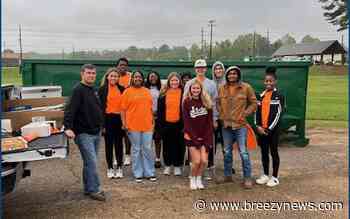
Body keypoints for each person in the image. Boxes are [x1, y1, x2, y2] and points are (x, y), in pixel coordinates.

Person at [64, 64, 106, 201]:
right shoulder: (78, 90)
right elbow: (70, 110)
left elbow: (98, 109)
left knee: (89, 162)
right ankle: (95, 189)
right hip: (84, 133)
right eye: (88, 73)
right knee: (92, 162)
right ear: (82, 74)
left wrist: (101, 125)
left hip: (96, 132)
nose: (91, 75)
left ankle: (88, 188)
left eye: (93, 73)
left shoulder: (93, 89)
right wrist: (68, 127)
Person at [217, 66, 257, 189]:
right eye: (230, 74)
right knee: (227, 151)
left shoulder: (246, 87)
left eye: (234, 73)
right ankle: (228, 176)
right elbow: (217, 102)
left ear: (238, 75)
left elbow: (254, 103)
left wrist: (245, 113)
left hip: (240, 125)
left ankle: (247, 178)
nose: (232, 76)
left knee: (243, 152)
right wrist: (221, 114)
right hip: (226, 125)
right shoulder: (222, 88)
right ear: (227, 76)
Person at [183, 59, 218, 180]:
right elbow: (185, 102)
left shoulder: (211, 84)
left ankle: (206, 170)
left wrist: (214, 119)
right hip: (193, 120)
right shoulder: (189, 83)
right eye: (198, 67)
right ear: (195, 69)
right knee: (192, 147)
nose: (200, 69)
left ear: (206, 69)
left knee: (208, 145)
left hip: (206, 121)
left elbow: (214, 103)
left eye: (202, 67)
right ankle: (193, 170)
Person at [120, 70, 157, 183]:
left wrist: (153, 123)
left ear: (142, 79)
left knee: (147, 148)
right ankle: (138, 173)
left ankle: (149, 172)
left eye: (139, 77)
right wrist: (124, 123)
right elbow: (123, 110)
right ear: (132, 79)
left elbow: (151, 109)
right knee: (136, 149)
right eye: (135, 77)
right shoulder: (127, 92)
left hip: (147, 125)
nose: (137, 79)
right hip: (132, 126)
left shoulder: (147, 91)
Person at [255, 67, 284, 187]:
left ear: (275, 81)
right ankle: (266, 174)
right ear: (264, 82)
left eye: (271, 81)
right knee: (264, 153)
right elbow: (256, 112)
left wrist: (269, 129)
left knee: (274, 152)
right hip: (261, 131)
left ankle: (275, 177)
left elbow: (278, 114)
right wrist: (258, 126)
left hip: (272, 131)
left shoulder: (279, 96)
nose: (268, 83)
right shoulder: (261, 96)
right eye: (266, 81)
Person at [183, 79, 213, 190]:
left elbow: (209, 122)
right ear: (190, 90)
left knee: (204, 161)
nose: (196, 90)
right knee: (196, 161)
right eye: (193, 88)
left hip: (205, 136)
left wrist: (207, 137)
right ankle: (192, 178)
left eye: (198, 88)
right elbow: (187, 122)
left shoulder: (207, 102)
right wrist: (194, 138)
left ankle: (198, 178)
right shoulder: (186, 102)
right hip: (192, 136)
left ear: (201, 89)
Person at [98, 68, 125, 179]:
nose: (113, 78)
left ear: (118, 78)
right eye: (111, 76)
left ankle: (119, 167)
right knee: (108, 145)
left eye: (116, 76)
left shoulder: (122, 89)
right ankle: (109, 167)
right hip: (107, 119)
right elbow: (100, 108)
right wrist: (102, 125)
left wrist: (125, 122)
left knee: (119, 144)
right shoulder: (102, 90)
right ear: (107, 77)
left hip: (119, 119)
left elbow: (125, 107)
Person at [157, 72, 185, 176]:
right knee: (167, 145)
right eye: (172, 80)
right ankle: (168, 165)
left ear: (179, 81)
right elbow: (160, 112)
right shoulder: (163, 93)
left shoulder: (184, 93)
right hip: (166, 124)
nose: (174, 82)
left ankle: (177, 166)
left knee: (179, 146)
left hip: (179, 124)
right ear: (169, 82)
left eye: (176, 80)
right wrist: (160, 127)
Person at [116, 57, 132, 166]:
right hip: (115, 110)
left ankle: (127, 155)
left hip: (128, 110)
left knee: (127, 134)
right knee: (117, 135)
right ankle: (118, 156)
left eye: (125, 65)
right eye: (121, 65)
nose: (123, 67)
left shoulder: (130, 77)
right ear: (117, 66)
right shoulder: (114, 76)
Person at [145, 70, 163, 168]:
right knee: (148, 139)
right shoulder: (145, 89)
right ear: (148, 78)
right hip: (147, 116)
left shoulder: (161, 89)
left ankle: (157, 159)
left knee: (158, 138)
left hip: (158, 117)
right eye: (151, 76)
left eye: (155, 76)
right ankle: (148, 159)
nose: (153, 78)